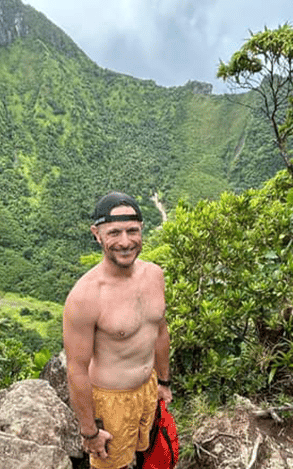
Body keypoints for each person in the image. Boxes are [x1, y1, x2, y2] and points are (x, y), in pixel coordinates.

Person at [63, 191, 172, 469]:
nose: (125, 242)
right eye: (114, 233)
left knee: (143, 452)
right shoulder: (85, 296)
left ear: (141, 230)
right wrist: (90, 431)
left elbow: (159, 331)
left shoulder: (154, 275)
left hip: (147, 389)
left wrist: (163, 382)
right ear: (96, 234)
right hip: (111, 402)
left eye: (132, 231)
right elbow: (76, 369)